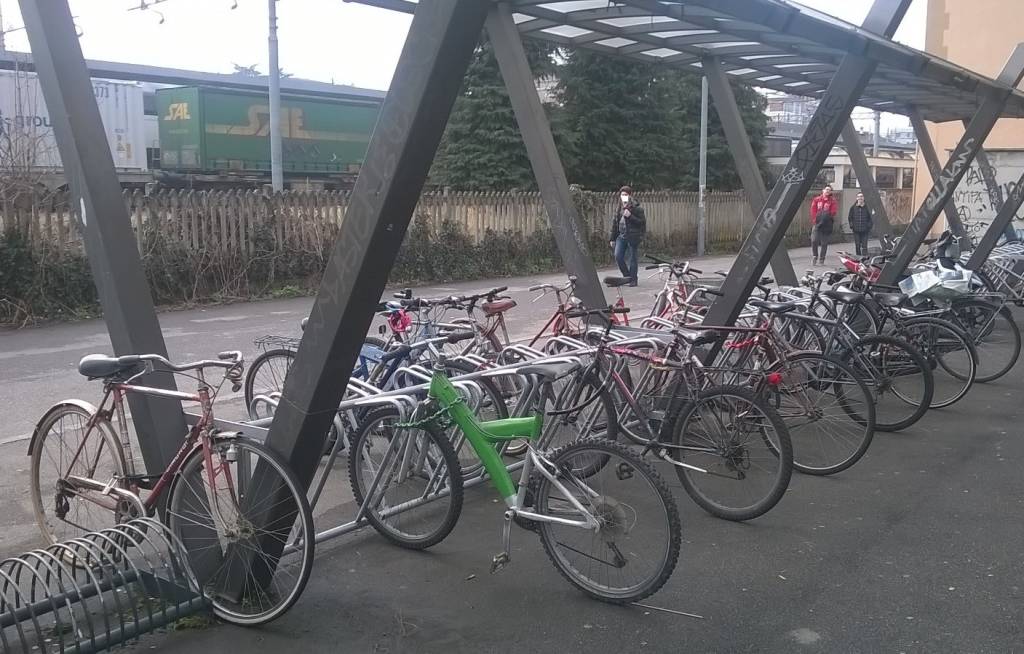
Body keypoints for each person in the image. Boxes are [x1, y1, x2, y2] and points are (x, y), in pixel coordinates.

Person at [609, 185, 646, 286]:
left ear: (630, 196)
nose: (623, 197)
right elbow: (615, 224)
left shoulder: (637, 208)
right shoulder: (619, 208)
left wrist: (630, 216)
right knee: (618, 256)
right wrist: (612, 238)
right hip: (621, 236)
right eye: (622, 195)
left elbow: (641, 223)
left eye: (625, 195)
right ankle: (627, 277)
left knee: (632, 259)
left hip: (633, 236)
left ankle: (633, 279)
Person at [809, 184, 837, 265]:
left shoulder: (832, 201)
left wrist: (826, 217)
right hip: (817, 224)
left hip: (826, 224)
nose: (828, 191)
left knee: (824, 243)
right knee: (814, 240)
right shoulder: (817, 200)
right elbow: (813, 210)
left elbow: (833, 212)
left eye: (829, 190)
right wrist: (815, 220)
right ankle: (815, 256)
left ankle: (822, 259)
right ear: (823, 190)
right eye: (826, 189)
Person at [847, 191, 873, 257]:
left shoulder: (868, 207)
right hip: (856, 230)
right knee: (857, 245)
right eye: (858, 196)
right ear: (856, 198)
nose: (860, 198)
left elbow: (871, 218)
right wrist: (851, 225)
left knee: (864, 246)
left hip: (865, 230)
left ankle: (864, 258)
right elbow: (850, 217)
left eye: (861, 196)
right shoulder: (853, 208)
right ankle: (858, 258)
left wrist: (869, 226)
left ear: (864, 198)